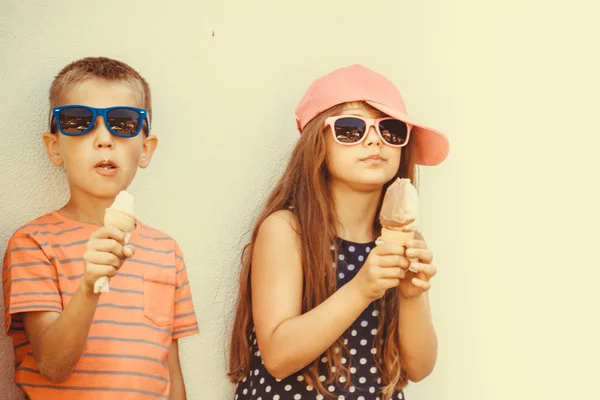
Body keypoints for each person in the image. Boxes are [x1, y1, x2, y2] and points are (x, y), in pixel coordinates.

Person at [228, 64, 449, 399]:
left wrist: (411, 295)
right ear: (317, 144)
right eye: (350, 128)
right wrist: (363, 288)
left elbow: (419, 367)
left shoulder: (407, 243)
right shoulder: (287, 231)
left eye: (390, 129)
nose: (374, 139)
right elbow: (277, 356)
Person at [2, 56, 198, 399]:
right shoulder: (33, 243)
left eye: (123, 123)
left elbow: (170, 370)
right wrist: (90, 286)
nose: (104, 138)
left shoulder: (166, 251)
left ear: (146, 150)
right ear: (54, 147)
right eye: (78, 122)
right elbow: (52, 365)